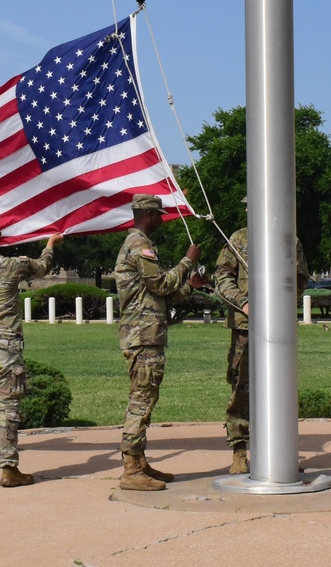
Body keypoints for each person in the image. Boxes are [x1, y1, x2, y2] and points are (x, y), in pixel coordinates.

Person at [0, 216, 63, 487]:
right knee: (7, 410)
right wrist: (50, 244)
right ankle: (8, 469)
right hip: (4, 350)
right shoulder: (11, 266)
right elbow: (42, 268)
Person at [114, 194, 205, 491]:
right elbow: (161, 284)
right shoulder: (140, 245)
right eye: (160, 215)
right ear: (149, 215)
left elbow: (159, 296)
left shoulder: (141, 244)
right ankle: (130, 470)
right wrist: (187, 262)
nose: (162, 220)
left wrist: (189, 288)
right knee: (140, 401)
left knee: (146, 399)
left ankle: (138, 463)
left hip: (146, 334)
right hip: (142, 337)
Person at [212, 198, 308, 474]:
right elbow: (222, 277)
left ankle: (281, 451)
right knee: (242, 388)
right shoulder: (238, 239)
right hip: (245, 326)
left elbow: (299, 277)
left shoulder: (288, 238)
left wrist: (280, 303)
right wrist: (243, 302)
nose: (248, 209)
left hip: (278, 327)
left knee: (280, 389)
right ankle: (239, 451)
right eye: (247, 205)